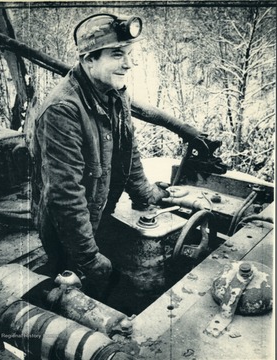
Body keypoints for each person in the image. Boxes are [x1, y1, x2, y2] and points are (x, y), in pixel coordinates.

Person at [32, 13, 216, 297]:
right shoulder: (62, 111)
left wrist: (149, 194)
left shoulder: (115, 94)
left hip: (100, 212)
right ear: (89, 58)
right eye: (117, 54)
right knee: (77, 293)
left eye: (129, 54)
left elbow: (128, 153)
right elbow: (65, 197)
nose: (128, 63)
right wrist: (89, 259)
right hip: (68, 234)